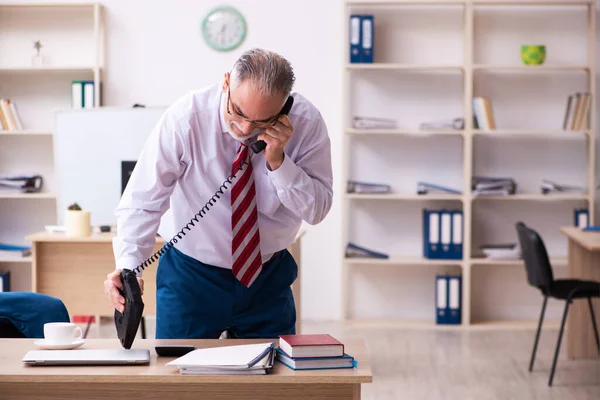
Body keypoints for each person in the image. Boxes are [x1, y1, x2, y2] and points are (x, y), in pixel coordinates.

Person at [103, 48, 333, 339]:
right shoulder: (186, 118)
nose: (246, 128)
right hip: (190, 275)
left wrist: (279, 161)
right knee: (179, 374)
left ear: (285, 107)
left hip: (266, 275)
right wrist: (129, 269)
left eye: (262, 120)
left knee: (271, 379)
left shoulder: (307, 123)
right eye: (238, 111)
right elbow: (143, 199)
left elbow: (318, 210)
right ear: (226, 82)